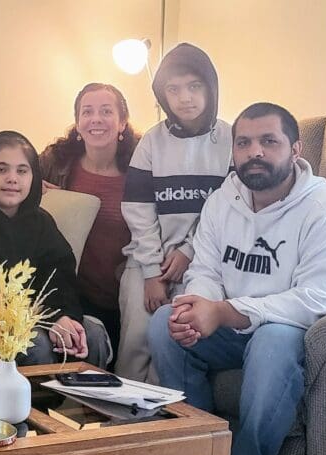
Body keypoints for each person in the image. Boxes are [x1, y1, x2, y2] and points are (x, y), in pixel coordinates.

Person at [148, 103, 326, 455]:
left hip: (300, 332)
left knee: (272, 338)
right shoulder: (222, 201)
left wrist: (226, 311)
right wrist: (198, 306)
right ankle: (199, 454)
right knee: (165, 324)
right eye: (244, 143)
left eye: (269, 141)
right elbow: (206, 268)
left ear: (295, 149)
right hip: (235, 324)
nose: (255, 153)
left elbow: (321, 298)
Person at [119, 43, 232, 382]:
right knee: (135, 340)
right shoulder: (152, 142)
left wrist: (188, 250)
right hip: (146, 260)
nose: (185, 97)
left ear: (210, 88)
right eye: (174, 89)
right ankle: (123, 425)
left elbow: (229, 209)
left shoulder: (231, 139)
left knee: (169, 338)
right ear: (162, 94)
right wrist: (153, 271)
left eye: (194, 86)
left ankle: (161, 428)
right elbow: (138, 211)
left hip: (204, 263)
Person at [0, 131, 110, 367]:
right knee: (37, 345)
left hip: (43, 314)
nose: (12, 178)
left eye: (22, 171)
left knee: (92, 334)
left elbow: (61, 279)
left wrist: (62, 317)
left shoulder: (41, 222)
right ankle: (33, 406)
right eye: (1, 169)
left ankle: (88, 405)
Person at [39, 83, 138, 363]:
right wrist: (42, 196)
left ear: (122, 123)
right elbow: (13, 194)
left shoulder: (141, 168)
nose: (96, 119)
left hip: (122, 298)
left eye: (106, 111)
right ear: (78, 124)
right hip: (69, 293)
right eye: (87, 112)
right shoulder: (54, 161)